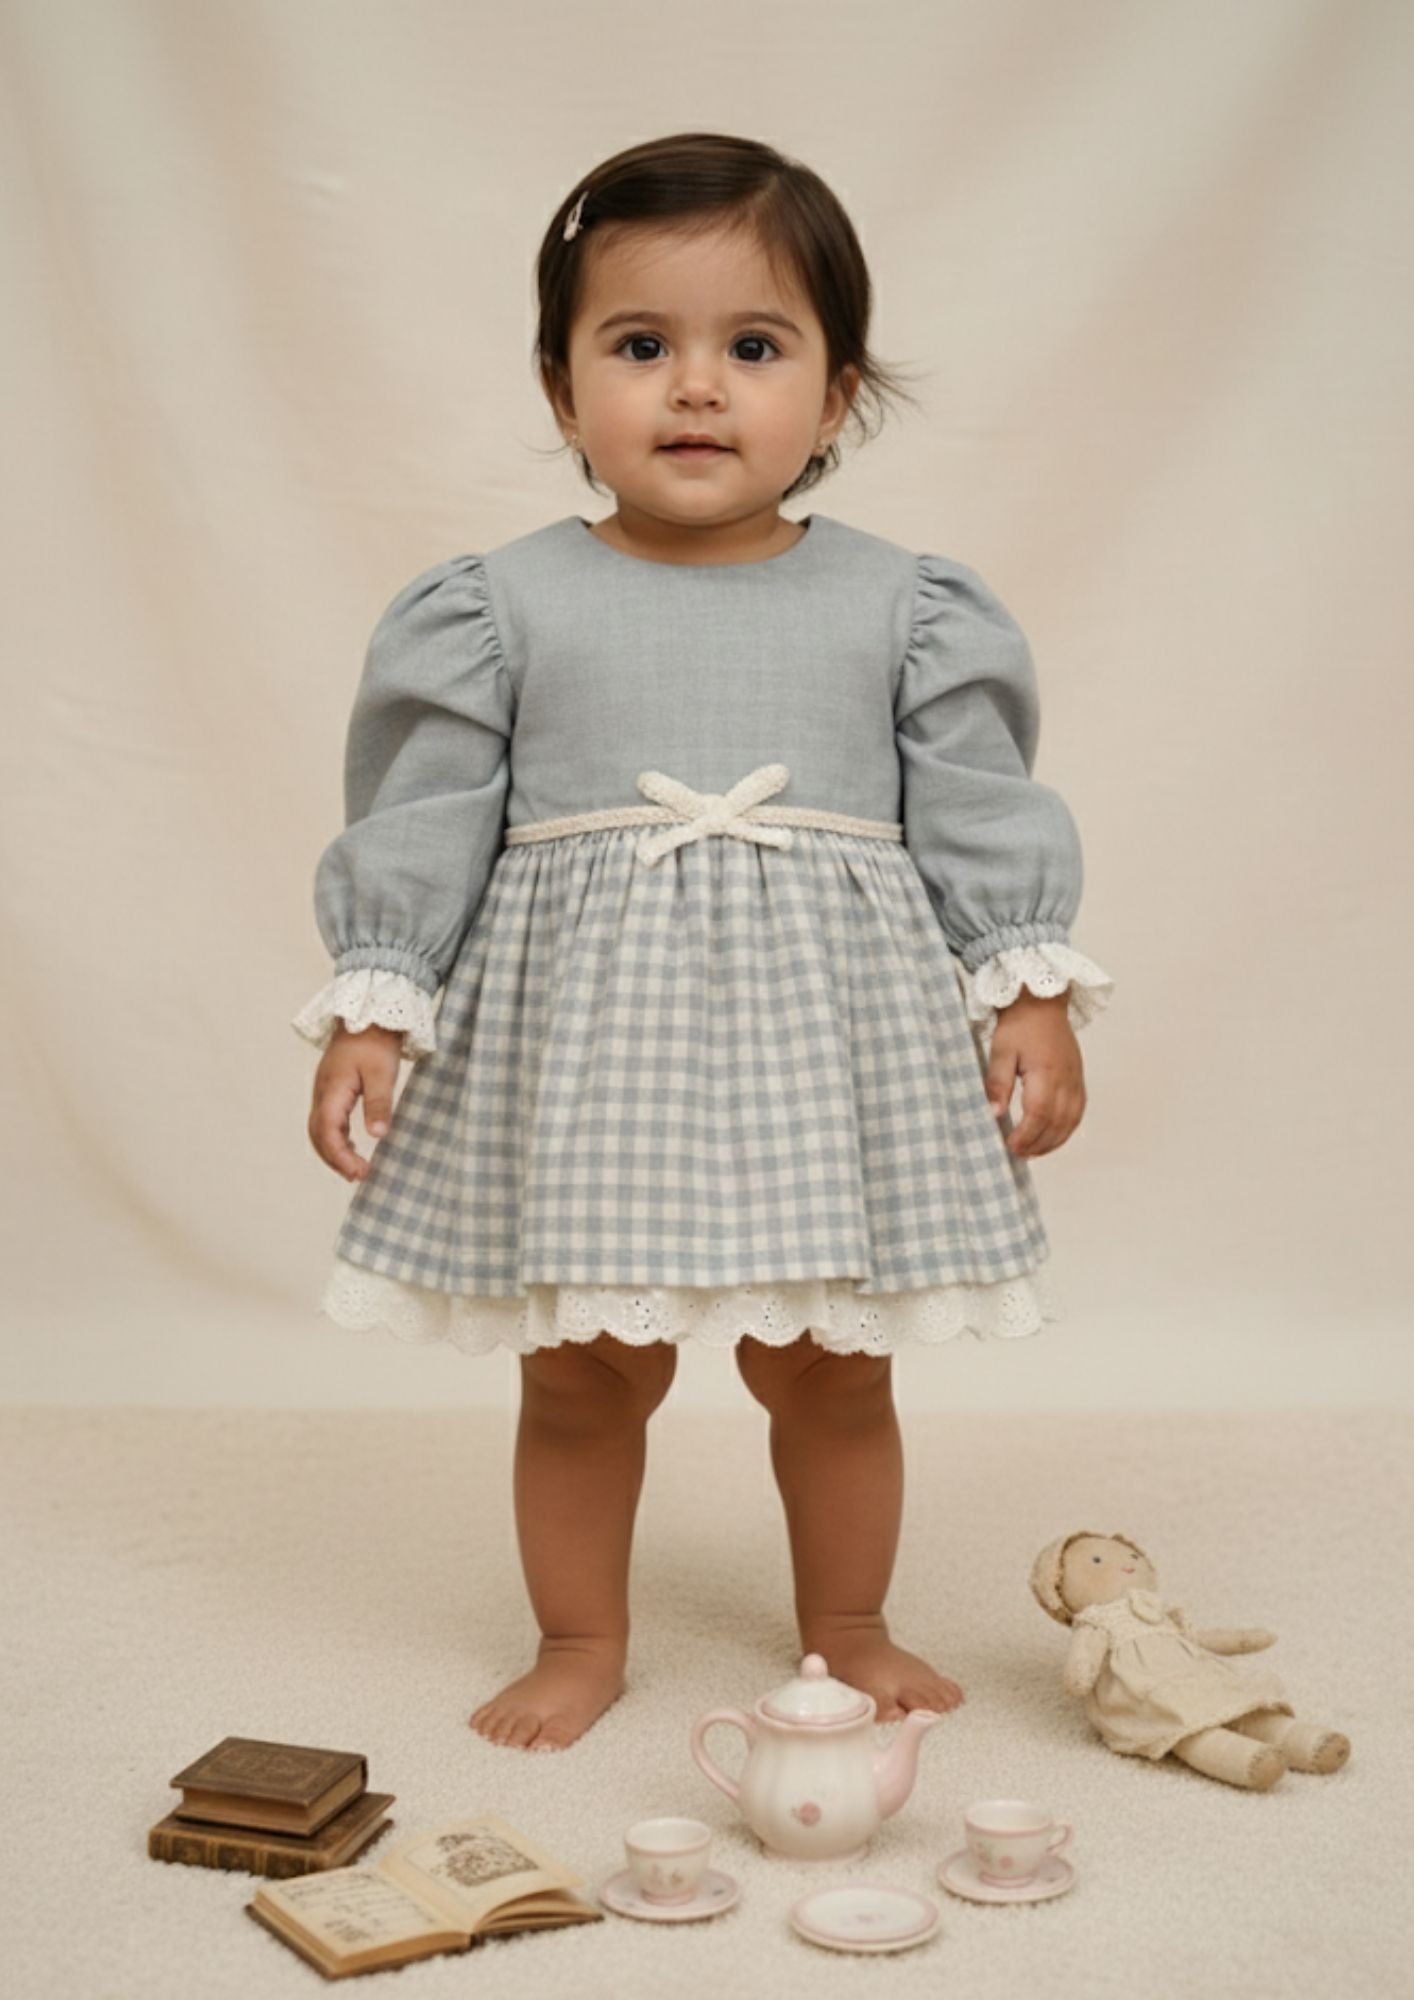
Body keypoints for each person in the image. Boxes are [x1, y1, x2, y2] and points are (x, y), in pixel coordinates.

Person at [292, 132, 1115, 1754]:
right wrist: (375, 1004)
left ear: (835, 392)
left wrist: (1024, 987)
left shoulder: (906, 604)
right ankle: (582, 1636)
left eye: (753, 348)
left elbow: (973, 803)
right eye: (638, 346)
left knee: (830, 1368)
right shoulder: (495, 606)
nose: (694, 389)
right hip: (592, 1049)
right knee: (585, 1371)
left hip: (828, 1043)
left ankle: (848, 1622)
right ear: (558, 385)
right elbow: (422, 817)